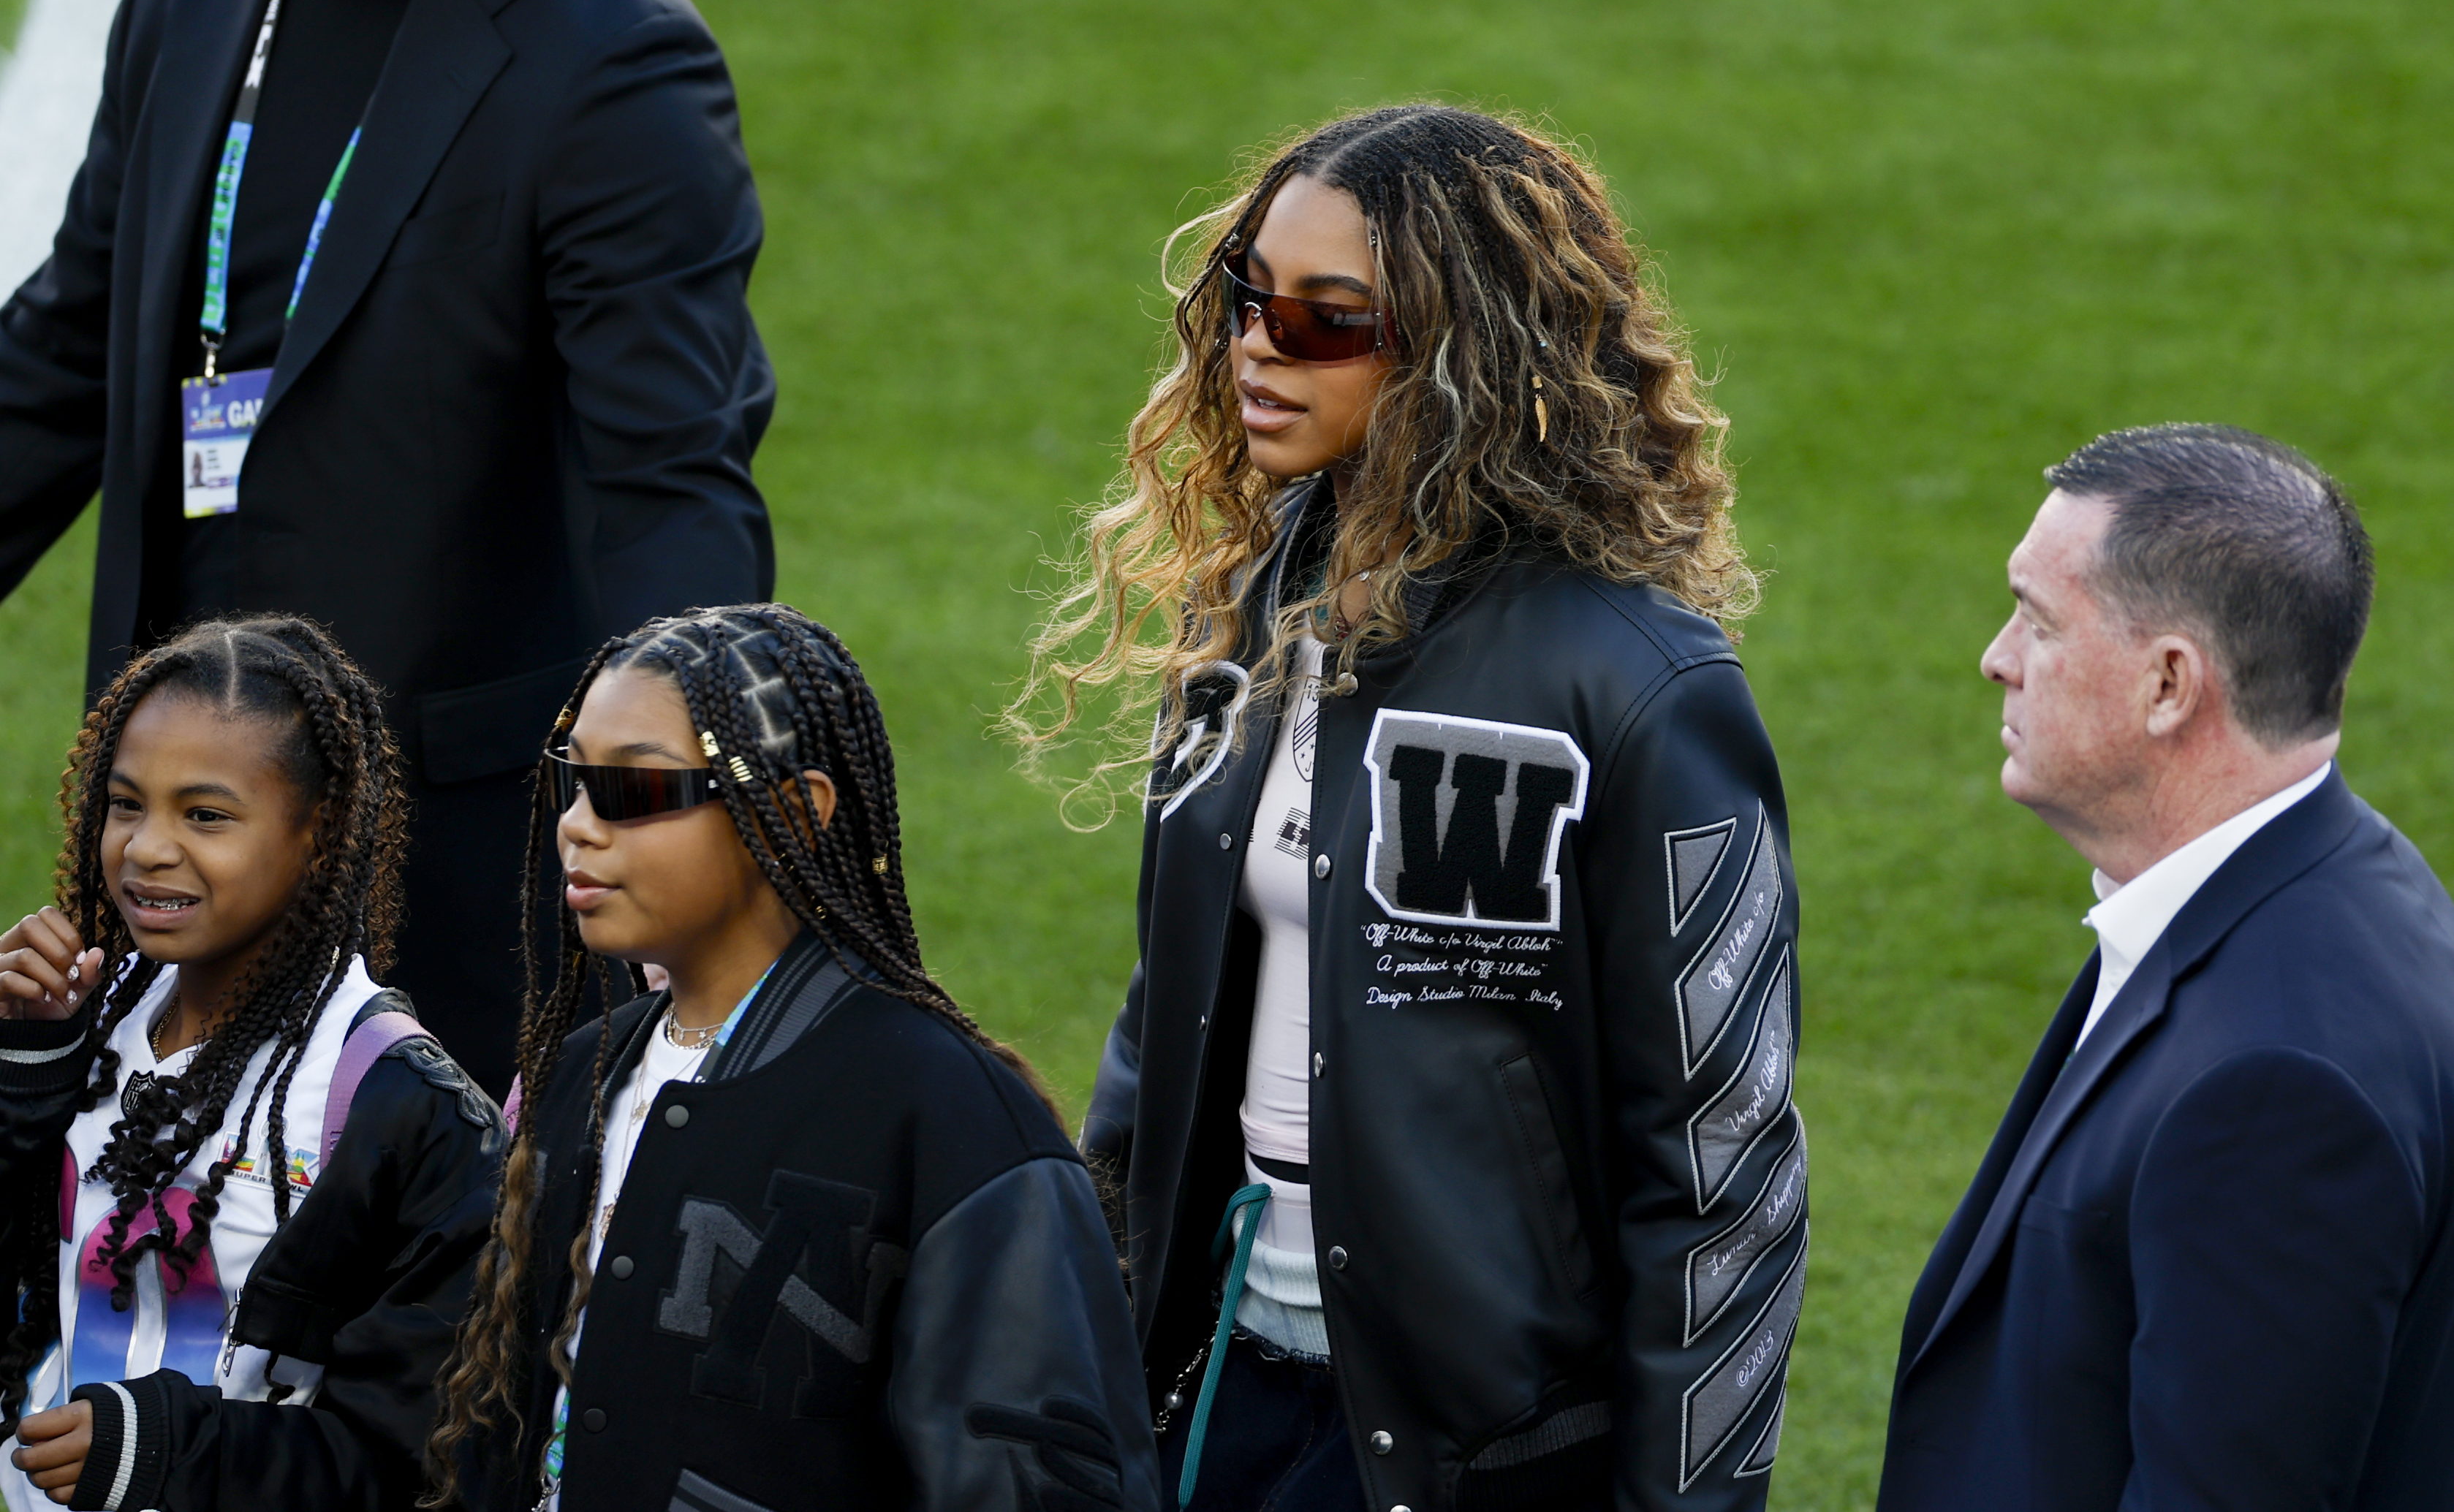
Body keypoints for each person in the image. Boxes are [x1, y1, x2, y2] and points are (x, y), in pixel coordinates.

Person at [1012, 105, 1806, 1511]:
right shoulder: (1245, 616)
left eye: (1327, 322)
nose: (1258, 345)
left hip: (1473, 1447)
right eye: (1245, 298)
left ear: (1459, 351)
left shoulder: (1635, 686)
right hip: (1215, 1385)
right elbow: (1167, 1010)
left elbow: (1721, 1174)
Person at [0, 0, 776, 1099]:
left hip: (427, 886)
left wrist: (673, 818)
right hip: (174, 838)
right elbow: (70, 337)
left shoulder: (610, 56)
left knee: (411, 1280)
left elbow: (667, 491)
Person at [427, 604, 1159, 1512]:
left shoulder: (948, 1117)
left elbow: (1037, 1481)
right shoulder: (578, 1076)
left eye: (635, 792)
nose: (578, 825)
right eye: (572, 784)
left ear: (791, 811)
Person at [1878, 425, 2454, 1510]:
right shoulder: (2336, 882)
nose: (1995, 657)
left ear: (2167, 685)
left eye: (2038, 622)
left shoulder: (2278, 1090)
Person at [0, 617, 503, 1512]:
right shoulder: (81, 1018)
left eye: (205, 815)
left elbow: (416, 1458)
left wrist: (165, 1451)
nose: (148, 847)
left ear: (320, 831)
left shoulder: (400, 1107)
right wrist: (25, 1070)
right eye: (125, 803)